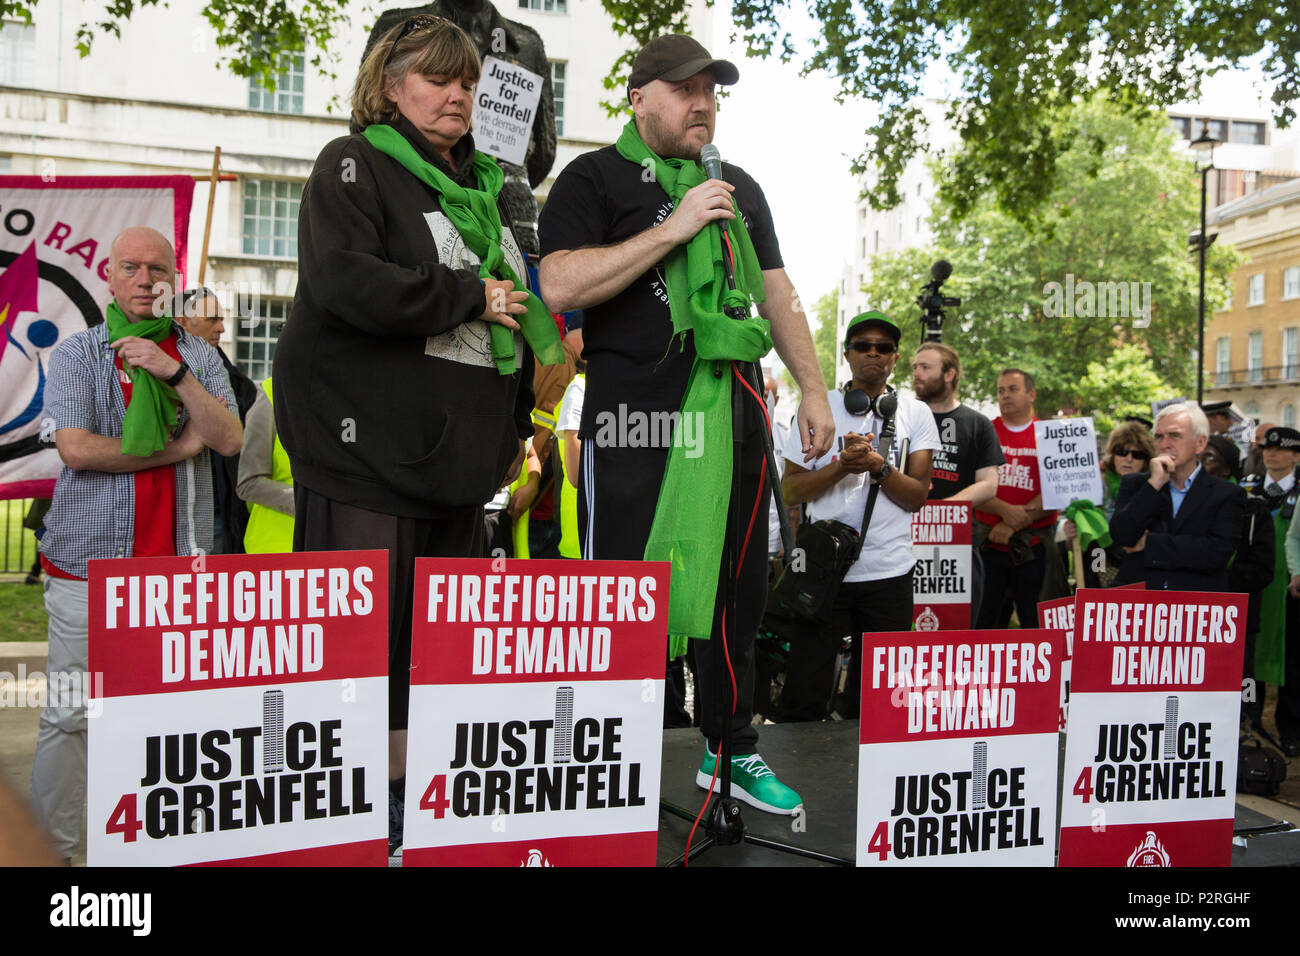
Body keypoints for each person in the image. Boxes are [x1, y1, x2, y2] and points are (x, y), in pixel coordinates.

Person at [271, 16, 562, 856]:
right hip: (368, 462)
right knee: (365, 666)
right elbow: (346, 283)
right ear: (390, 86)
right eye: (436, 80)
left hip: (460, 473)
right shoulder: (353, 165)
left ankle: (417, 818)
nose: (457, 96)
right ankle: (356, 828)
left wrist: (515, 430)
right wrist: (466, 296)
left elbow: (513, 321)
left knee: (434, 666)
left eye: (467, 83)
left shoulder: (484, 199)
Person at [537, 33, 834, 815]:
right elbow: (559, 280)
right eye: (683, 88)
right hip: (635, 420)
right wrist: (673, 228)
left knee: (736, 590)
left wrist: (812, 387)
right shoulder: (592, 176)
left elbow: (778, 290)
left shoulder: (738, 185)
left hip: (731, 412)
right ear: (639, 98)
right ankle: (606, 749)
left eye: (711, 90)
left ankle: (730, 750)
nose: (702, 102)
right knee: (626, 592)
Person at [31, 226, 241, 861]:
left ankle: (153, 850)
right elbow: (76, 448)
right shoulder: (77, 355)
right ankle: (55, 853)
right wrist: (176, 447)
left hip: (180, 573)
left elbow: (229, 438)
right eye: (132, 267)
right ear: (111, 279)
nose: (147, 279)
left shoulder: (199, 358)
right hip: (86, 571)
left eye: (158, 269)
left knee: (172, 722)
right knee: (70, 716)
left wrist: (172, 371)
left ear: (174, 280)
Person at [779, 311, 938, 720]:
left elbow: (917, 496)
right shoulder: (819, 407)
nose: (873, 353)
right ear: (847, 354)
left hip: (889, 573)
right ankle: (803, 770)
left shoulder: (916, 414)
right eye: (863, 346)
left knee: (882, 702)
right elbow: (791, 490)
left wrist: (880, 468)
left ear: (895, 358)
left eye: (883, 348)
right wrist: (841, 466)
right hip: (824, 572)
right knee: (805, 693)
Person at [1109, 403, 1244, 590]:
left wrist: (1150, 543)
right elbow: (1122, 536)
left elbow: (1217, 552)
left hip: (1195, 605)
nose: (1164, 444)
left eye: (1174, 436)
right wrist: (1154, 485)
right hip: (1141, 603)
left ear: (1200, 443)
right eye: (1158, 436)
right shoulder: (1136, 484)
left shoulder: (1227, 493)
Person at [174, 287, 260, 553]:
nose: (222, 328)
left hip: (221, 511)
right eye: (212, 319)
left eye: (221, 319)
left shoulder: (239, 385)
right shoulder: (150, 375)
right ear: (182, 322)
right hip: (170, 509)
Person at [1201, 434, 1274, 731]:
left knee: (1246, 685)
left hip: (1238, 619)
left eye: (1210, 458)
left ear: (1227, 469)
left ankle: (1251, 730)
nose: (1201, 464)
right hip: (1196, 619)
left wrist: (1217, 579)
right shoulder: (1180, 507)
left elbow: (1263, 570)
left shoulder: (1252, 511)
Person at [974, 369, 1057, 628]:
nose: (1005, 395)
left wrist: (1012, 522)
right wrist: (1005, 512)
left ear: (1031, 394)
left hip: (1034, 546)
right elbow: (971, 484)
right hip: (987, 544)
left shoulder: (1049, 435)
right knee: (985, 624)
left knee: (1036, 624)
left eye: (1012, 389)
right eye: (1001, 391)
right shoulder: (984, 431)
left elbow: (1058, 488)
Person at [1061, 420, 1155, 587]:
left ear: (1146, 460)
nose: (1129, 459)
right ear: (1112, 454)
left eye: (1137, 454)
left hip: (1139, 569)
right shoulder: (1092, 484)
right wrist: (1072, 535)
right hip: (1099, 561)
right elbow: (1076, 544)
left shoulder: (1153, 488)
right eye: (1122, 452)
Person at [911, 342, 1001, 505]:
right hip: (902, 524)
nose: (916, 373)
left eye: (925, 367)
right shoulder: (903, 417)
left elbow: (988, 484)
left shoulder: (978, 424)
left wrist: (943, 509)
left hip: (956, 525)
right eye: (915, 367)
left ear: (949, 375)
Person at [237, 378, 295, 553]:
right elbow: (248, 484)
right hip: (276, 550)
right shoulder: (273, 391)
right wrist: (311, 503)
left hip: (338, 552)